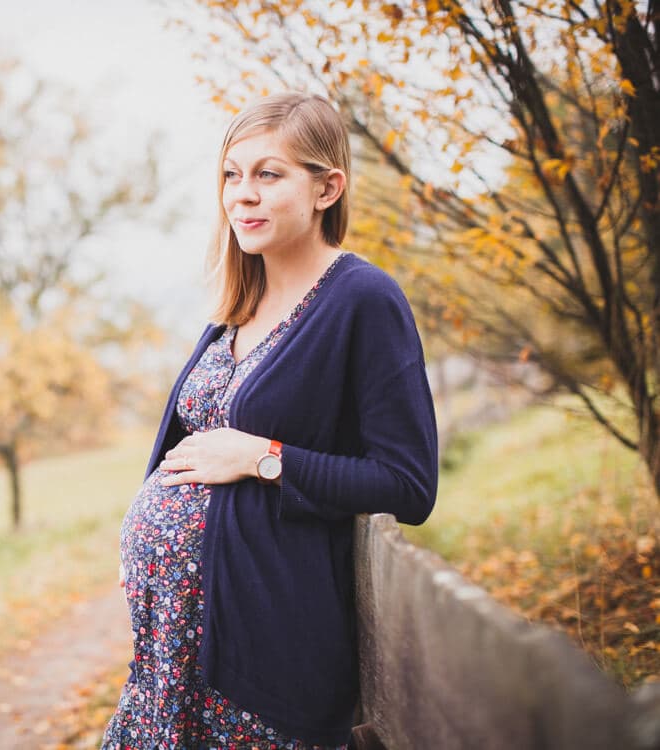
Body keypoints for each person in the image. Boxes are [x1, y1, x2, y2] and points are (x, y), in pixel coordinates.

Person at [100, 92, 439, 750]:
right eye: (231, 175)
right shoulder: (237, 302)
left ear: (326, 188)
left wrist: (264, 455)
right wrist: (138, 546)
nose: (242, 196)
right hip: (168, 650)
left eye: (268, 174)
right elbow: (189, 440)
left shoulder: (362, 300)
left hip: (255, 654)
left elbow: (407, 483)